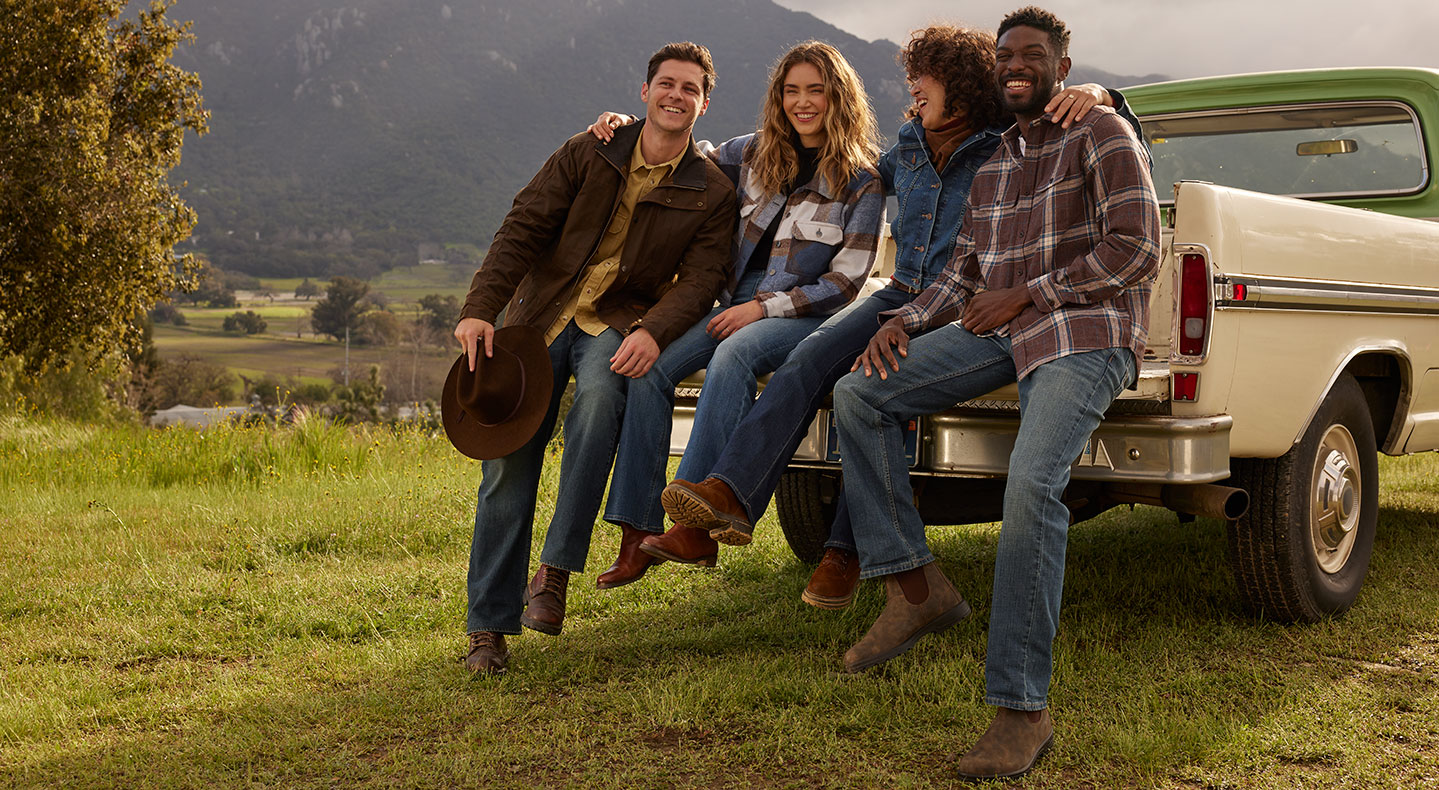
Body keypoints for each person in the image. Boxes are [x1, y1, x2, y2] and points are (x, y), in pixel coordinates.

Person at [647, 25, 1141, 609]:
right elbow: (837, 169)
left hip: (956, 299)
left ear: (955, 83)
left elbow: (1100, 134)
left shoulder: (1004, 141)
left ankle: (843, 550)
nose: (911, 89)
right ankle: (731, 493)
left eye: (920, 76)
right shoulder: (905, 144)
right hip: (899, 292)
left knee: (879, 380)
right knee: (810, 358)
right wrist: (650, 135)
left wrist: (1106, 95)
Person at [836, 7, 1161, 780]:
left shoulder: (1101, 134)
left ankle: (1021, 711)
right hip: (1001, 333)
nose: (1016, 65)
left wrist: (1029, 295)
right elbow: (963, 274)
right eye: (1005, 55)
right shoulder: (994, 163)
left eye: (1032, 55)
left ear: (1061, 67)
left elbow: (1138, 248)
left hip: (1084, 334)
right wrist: (906, 322)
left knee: (1029, 487)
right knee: (860, 394)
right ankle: (916, 589)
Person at [453, 42, 737, 676]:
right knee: (506, 466)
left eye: (690, 89)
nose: (676, 96)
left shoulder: (710, 189)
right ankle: (488, 629)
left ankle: (553, 573)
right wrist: (481, 307)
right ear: (644, 92)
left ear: (704, 103)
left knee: (602, 399)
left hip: (616, 322)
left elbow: (703, 278)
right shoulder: (589, 149)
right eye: (666, 84)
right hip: (541, 316)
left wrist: (656, 330)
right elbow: (523, 226)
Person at [583, 42, 885, 585]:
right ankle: (634, 532)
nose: (803, 102)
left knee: (734, 356)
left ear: (838, 96)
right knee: (650, 364)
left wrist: (761, 308)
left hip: (804, 310)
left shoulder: (861, 178)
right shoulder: (749, 153)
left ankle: (695, 527)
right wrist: (628, 125)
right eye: (791, 91)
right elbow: (676, 152)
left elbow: (845, 282)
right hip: (731, 301)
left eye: (815, 90)